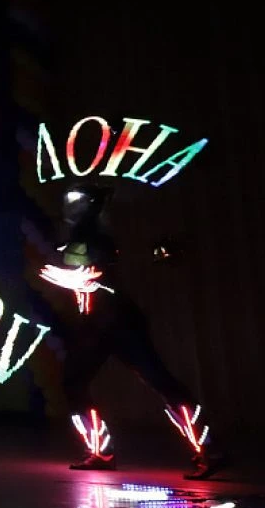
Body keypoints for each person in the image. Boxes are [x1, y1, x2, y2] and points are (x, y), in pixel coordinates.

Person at [39, 184, 228, 479]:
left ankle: (209, 450)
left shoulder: (94, 237)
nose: (69, 208)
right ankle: (101, 451)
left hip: (116, 321)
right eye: (69, 202)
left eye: (77, 203)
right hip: (101, 323)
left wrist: (69, 277)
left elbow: (92, 274)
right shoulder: (82, 237)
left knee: (158, 382)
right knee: (76, 383)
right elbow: (83, 271)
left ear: (89, 207)